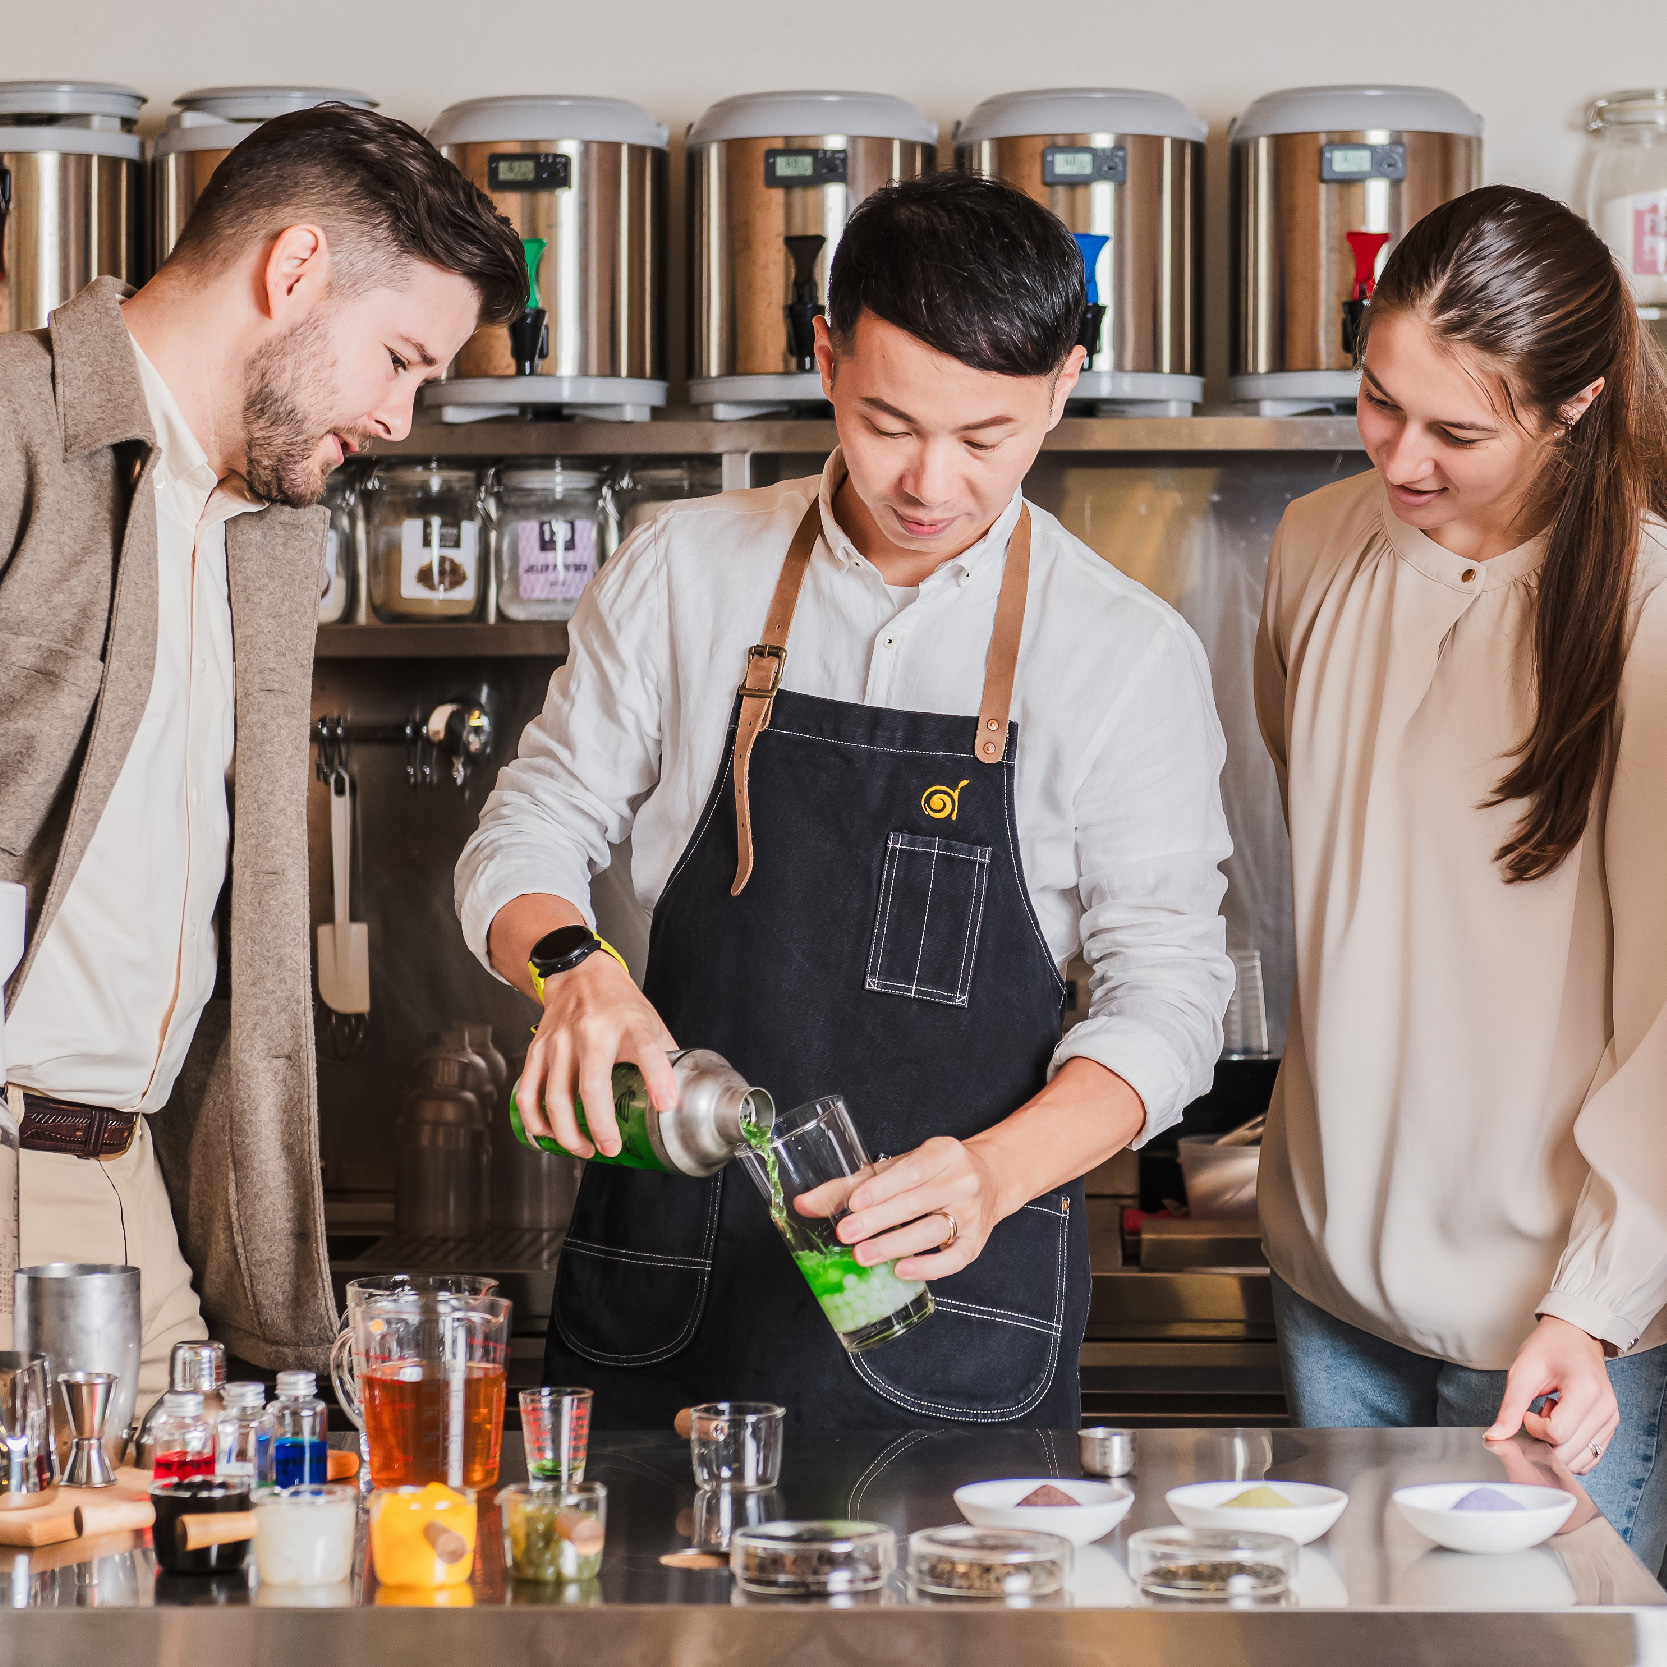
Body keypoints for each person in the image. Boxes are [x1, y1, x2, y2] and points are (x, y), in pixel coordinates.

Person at [457, 172, 1233, 1429]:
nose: (928, 480)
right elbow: (528, 824)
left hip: (953, 1309)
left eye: (984, 437)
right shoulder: (681, 570)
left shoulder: (1124, 653)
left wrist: (990, 1175)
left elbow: (1171, 993)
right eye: (887, 422)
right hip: (667, 1289)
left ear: (1061, 384)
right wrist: (571, 964)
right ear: (824, 356)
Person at [0, 105, 524, 1392]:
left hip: (136, 1197)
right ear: (293, 273)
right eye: (398, 357)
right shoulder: (15, 425)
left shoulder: (263, 533)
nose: (401, 417)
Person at [1255, 184, 1667, 1563]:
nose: (1399, 456)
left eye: (1453, 430)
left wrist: (1599, 1298)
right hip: (1328, 1277)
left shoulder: (1647, 614)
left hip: (1559, 1316)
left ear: (1568, 406)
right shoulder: (1312, 548)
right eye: (1376, 401)